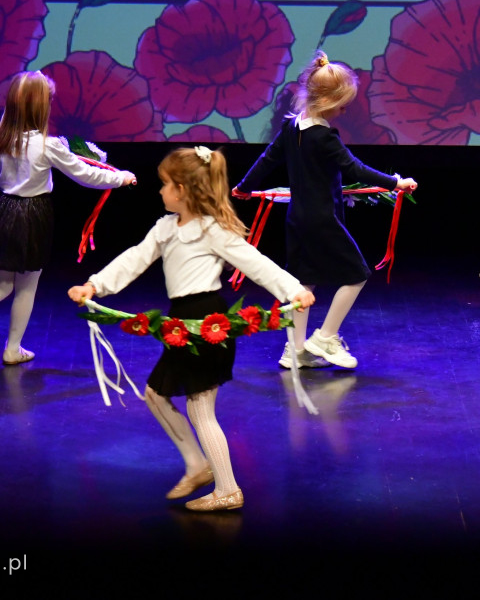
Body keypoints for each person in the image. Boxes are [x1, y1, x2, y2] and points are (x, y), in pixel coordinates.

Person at [69, 146, 315, 511]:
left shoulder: (213, 230)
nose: (160, 191)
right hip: (181, 324)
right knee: (155, 394)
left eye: (165, 184)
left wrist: (293, 290)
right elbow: (134, 259)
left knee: (201, 409)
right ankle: (198, 465)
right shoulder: (166, 228)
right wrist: (95, 285)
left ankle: (227, 488)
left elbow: (256, 263)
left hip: (207, 324)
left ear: (182, 189)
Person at [232, 51, 417, 370]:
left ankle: (295, 351)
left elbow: (267, 159)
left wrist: (244, 187)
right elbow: (354, 169)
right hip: (321, 220)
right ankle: (325, 337)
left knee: (303, 282)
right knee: (358, 274)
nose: (345, 110)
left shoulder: (293, 128)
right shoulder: (324, 135)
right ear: (327, 101)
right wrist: (396, 182)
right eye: (342, 104)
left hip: (298, 219)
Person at [0, 71, 136, 364]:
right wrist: (120, 178)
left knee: (0, 283)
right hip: (33, 216)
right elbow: (86, 175)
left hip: (2, 212)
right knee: (26, 286)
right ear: (42, 107)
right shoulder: (48, 145)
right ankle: (12, 348)